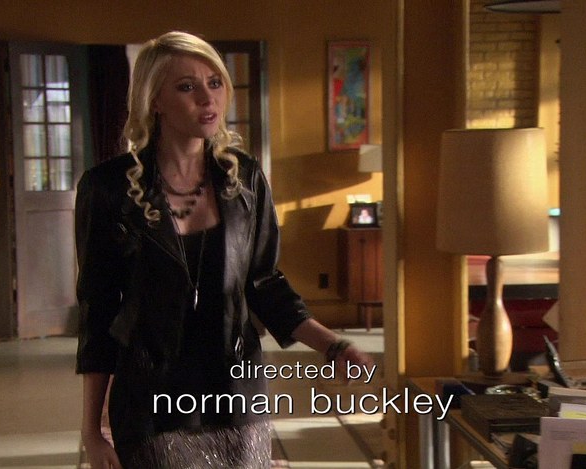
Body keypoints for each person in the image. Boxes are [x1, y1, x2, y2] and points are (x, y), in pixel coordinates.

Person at [75, 31, 374, 469]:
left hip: (236, 393)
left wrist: (333, 346)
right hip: (151, 401)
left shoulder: (245, 179)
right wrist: (91, 431)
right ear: (154, 101)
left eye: (214, 82)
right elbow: (98, 311)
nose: (207, 98)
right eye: (186, 86)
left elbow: (265, 284)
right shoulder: (107, 188)